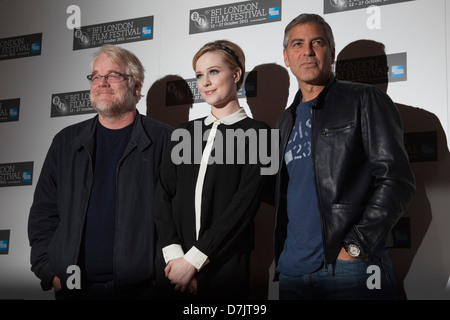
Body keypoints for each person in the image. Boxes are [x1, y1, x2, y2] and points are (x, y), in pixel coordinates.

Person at [273, 13, 416, 300]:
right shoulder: (284, 121)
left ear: (332, 52)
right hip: (292, 271)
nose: (308, 51)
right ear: (287, 57)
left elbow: (396, 180)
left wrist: (355, 247)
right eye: (297, 44)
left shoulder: (364, 99)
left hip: (350, 268)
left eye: (318, 42)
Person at [27, 44, 173, 300]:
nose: (102, 83)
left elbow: (178, 218)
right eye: (96, 76)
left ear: (136, 87)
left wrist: (160, 277)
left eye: (113, 75)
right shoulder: (65, 142)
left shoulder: (165, 140)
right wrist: (50, 272)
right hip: (75, 291)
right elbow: (44, 212)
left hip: (143, 291)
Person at [153, 40, 273, 299]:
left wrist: (194, 261)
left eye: (214, 71)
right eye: (199, 75)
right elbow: (162, 196)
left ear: (236, 74)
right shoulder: (183, 133)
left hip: (226, 268)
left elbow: (243, 207)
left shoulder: (262, 134)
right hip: (173, 271)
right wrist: (176, 259)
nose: (205, 82)